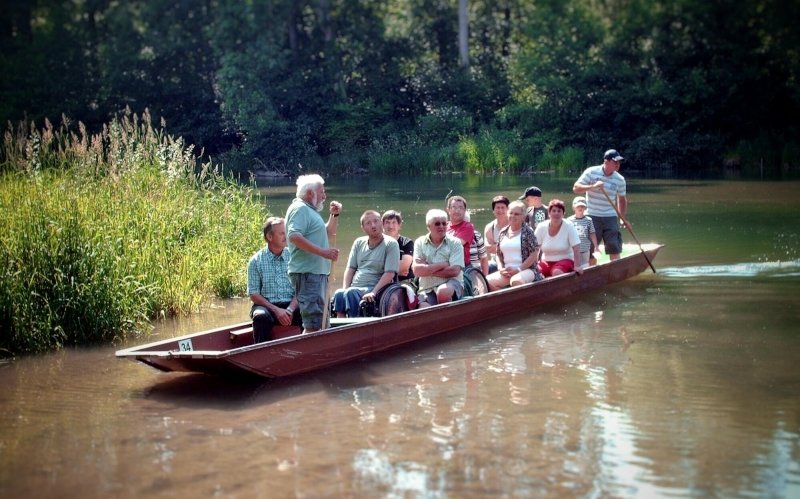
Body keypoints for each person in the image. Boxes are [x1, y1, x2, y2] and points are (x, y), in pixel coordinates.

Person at [285, 174, 342, 333]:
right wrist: (324, 252)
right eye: (322, 192)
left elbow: (327, 233)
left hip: (317, 274)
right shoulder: (300, 208)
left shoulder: (309, 210)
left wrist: (334, 216)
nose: (325, 195)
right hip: (308, 274)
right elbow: (294, 236)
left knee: (320, 322)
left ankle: (318, 354)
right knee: (313, 324)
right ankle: (306, 355)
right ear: (310, 193)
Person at [332, 210, 400, 318]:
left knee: (351, 293)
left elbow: (390, 273)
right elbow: (350, 268)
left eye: (376, 221)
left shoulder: (391, 244)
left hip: (376, 287)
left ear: (381, 223)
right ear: (363, 228)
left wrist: (374, 291)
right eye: (368, 223)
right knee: (339, 294)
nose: (373, 225)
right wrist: (345, 288)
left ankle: (355, 327)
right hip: (356, 287)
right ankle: (341, 328)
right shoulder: (358, 243)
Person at [247, 217, 302, 343]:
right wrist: (277, 311)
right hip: (267, 306)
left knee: (308, 311)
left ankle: (308, 350)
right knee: (260, 317)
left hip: (292, 305)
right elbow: (254, 294)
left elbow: (301, 288)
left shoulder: (294, 257)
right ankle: (261, 353)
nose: (286, 236)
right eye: (282, 233)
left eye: (286, 232)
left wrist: (289, 309)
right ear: (270, 237)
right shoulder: (255, 261)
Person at [573, 149, 627, 260]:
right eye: (615, 162)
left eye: (619, 162)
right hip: (592, 215)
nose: (618, 165)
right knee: (591, 248)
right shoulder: (591, 172)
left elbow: (622, 199)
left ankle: (615, 272)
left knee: (614, 246)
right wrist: (592, 186)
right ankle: (591, 273)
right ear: (606, 161)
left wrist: (622, 218)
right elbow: (576, 188)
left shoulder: (620, 179)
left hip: (610, 216)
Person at [412, 209, 465, 308]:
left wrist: (427, 268)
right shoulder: (419, 242)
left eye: (444, 223)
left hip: (451, 284)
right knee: (423, 309)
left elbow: (454, 271)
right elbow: (417, 271)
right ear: (428, 226)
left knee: (443, 292)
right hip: (427, 288)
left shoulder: (455, 243)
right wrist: (444, 264)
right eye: (437, 224)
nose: (441, 226)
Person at [486, 201, 543, 290]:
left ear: (523, 217)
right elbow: (498, 254)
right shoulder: (503, 232)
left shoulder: (528, 231)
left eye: (516, 214)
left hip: (527, 270)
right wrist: (501, 268)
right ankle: (504, 302)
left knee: (516, 281)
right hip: (507, 271)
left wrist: (518, 269)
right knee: (486, 281)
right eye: (511, 213)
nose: (513, 216)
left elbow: (534, 254)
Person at [534, 199, 583, 277]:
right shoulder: (541, 227)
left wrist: (577, 265)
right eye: (553, 211)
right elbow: (535, 248)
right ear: (549, 213)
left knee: (556, 272)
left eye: (559, 211)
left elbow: (576, 247)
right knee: (535, 272)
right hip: (546, 261)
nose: (556, 213)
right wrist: (535, 265)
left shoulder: (569, 225)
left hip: (566, 260)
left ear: (563, 214)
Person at [381, 210, 415, 282]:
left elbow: (404, 268)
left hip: (403, 282)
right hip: (379, 281)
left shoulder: (407, 243)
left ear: (399, 225)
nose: (390, 226)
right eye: (387, 222)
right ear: (382, 225)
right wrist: (396, 268)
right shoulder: (377, 243)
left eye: (394, 222)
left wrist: (380, 267)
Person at [568, 196, 598, 268]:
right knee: (574, 267)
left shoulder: (588, 220)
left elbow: (592, 233)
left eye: (582, 206)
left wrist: (596, 246)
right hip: (573, 250)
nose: (580, 208)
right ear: (574, 207)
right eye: (578, 206)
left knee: (585, 266)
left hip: (585, 249)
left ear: (585, 208)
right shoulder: (569, 220)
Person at [445, 195, 475, 269]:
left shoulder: (468, 227)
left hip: (461, 266)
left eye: (461, 208)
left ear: (465, 211)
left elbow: (455, 245)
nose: (457, 210)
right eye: (454, 207)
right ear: (448, 210)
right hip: (443, 263)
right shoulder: (443, 225)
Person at [484, 195, 510, 273]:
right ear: (493, 210)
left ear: (508, 209)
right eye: (497, 208)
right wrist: (507, 245)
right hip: (495, 262)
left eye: (503, 208)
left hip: (514, 261)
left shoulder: (515, 224)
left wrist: (497, 246)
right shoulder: (489, 227)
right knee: (480, 268)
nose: (500, 210)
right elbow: (489, 249)